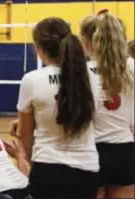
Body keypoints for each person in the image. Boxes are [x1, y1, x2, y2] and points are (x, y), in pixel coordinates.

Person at [13, 17, 100, 198]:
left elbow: (25, 134)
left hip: (47, 168)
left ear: (40, 48)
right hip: (87, 169)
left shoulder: (32, 80)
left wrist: (31, 160)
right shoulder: (90, 76)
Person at [80, 10, 134, 199]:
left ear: (87, 42)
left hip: (90, 149)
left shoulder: (80, 71)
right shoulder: (132, 67)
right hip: (125, 148)